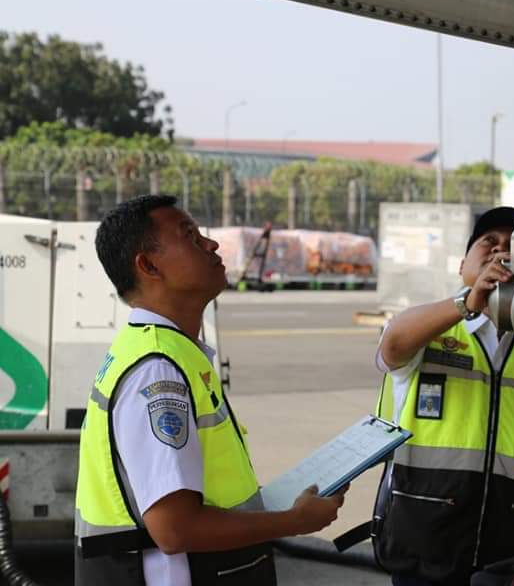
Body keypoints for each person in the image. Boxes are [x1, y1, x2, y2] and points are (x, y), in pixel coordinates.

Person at [75, 194, 346, 585]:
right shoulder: (157, 371)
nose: (211, 244)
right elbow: (175, 530)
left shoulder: (167, 349)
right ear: (148, 265)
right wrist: (294, 521)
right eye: (190, 236)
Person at [372, 206, 514, 586]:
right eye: (489, 241)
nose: (501, 250)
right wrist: (467, 303)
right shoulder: (430, 330)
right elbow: (392, 345)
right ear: (462, 265)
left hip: (512, 558)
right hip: (424, 547)